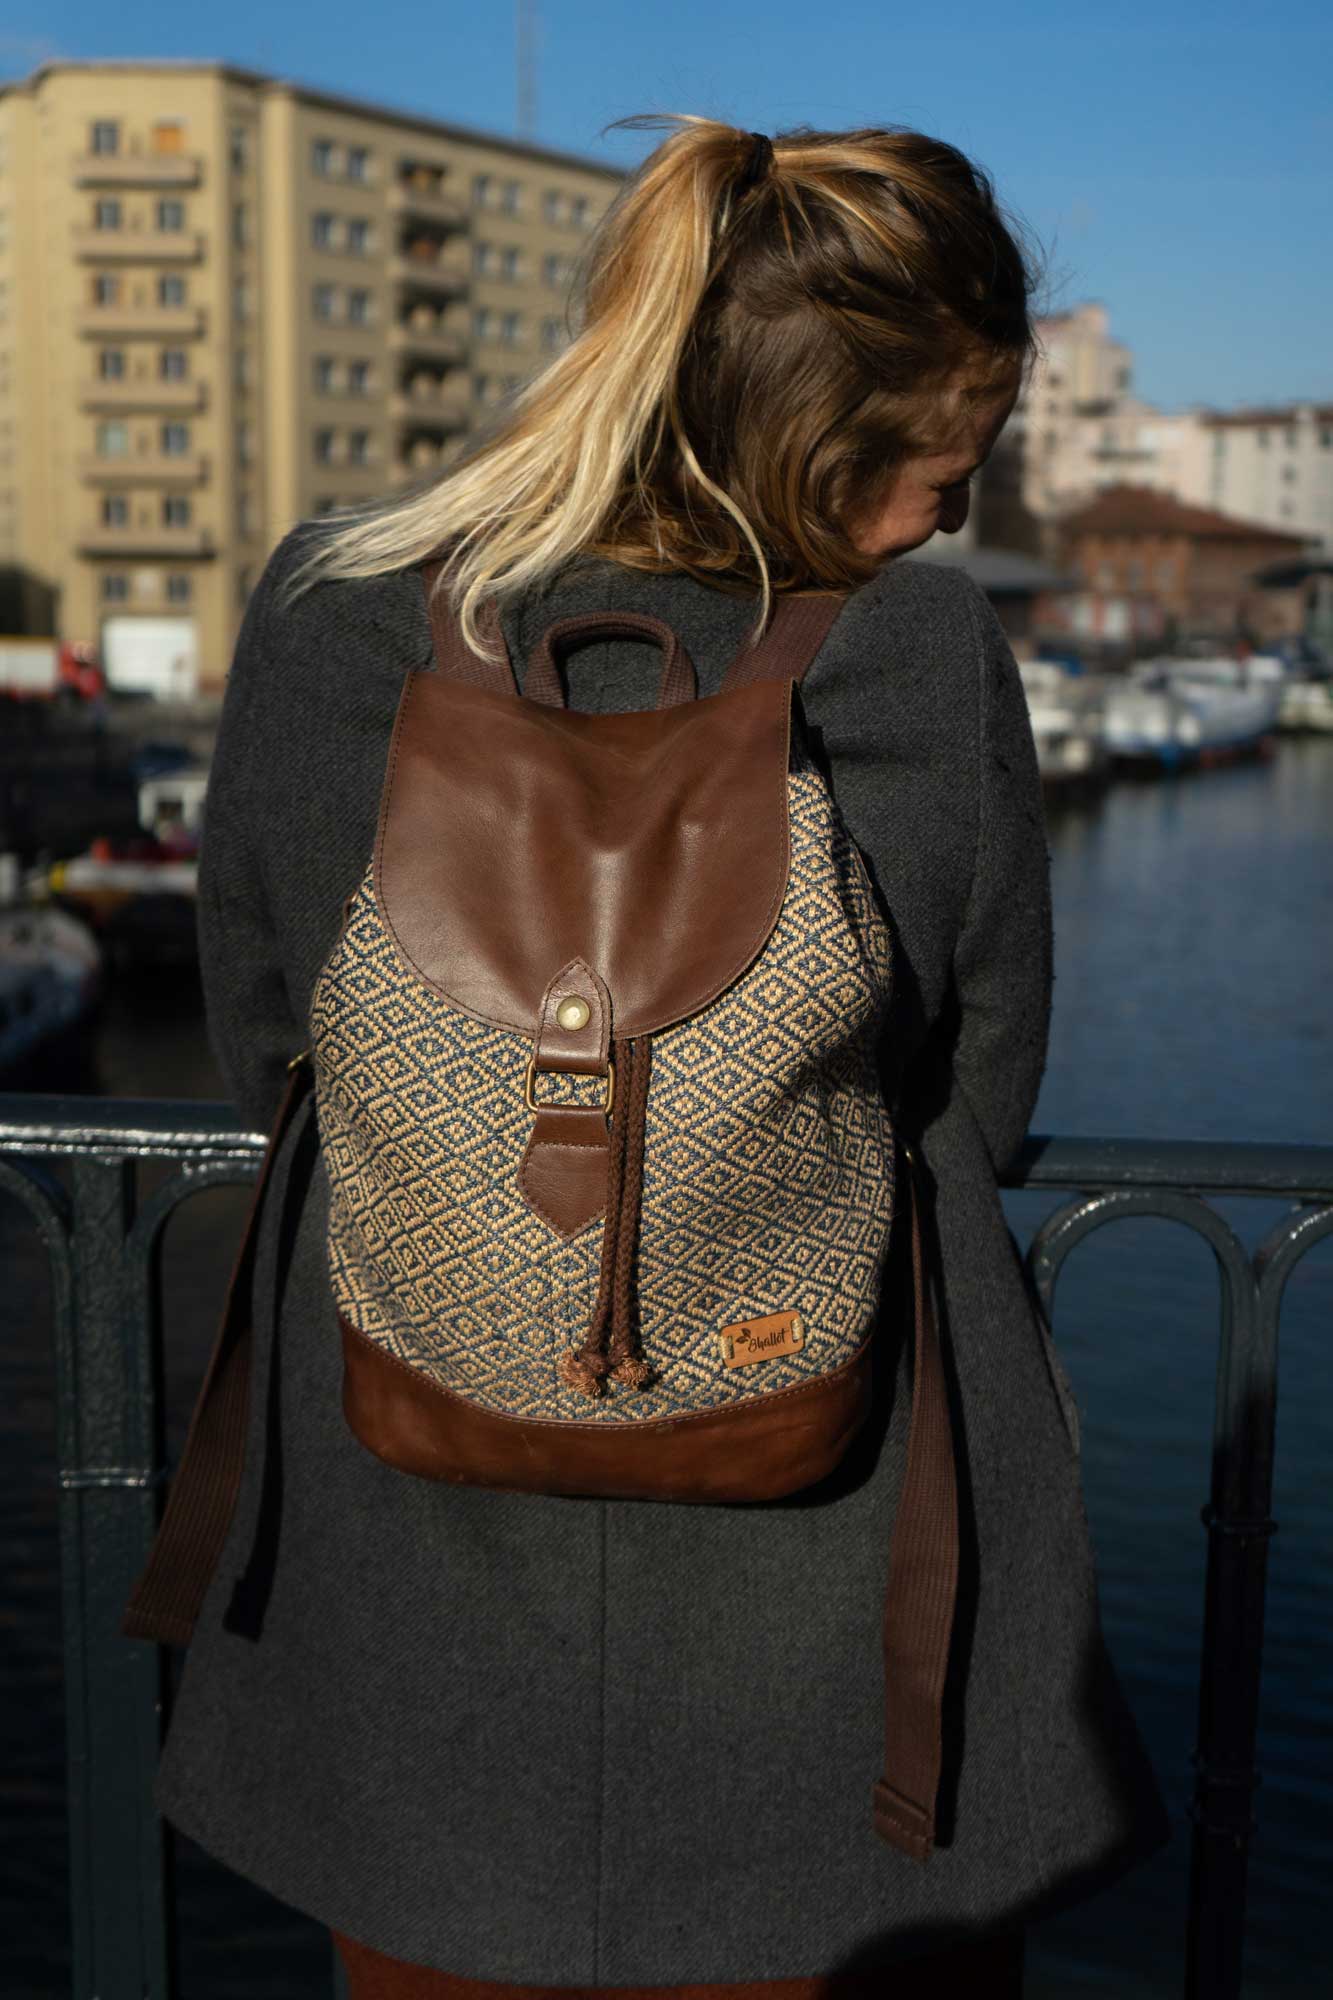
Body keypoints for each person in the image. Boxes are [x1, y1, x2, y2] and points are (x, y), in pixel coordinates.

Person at [151, 116, 1170, 1996]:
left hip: (409, 1527)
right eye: (942, 469)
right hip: (828, 1554)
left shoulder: (335, 602)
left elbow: (262, 1034)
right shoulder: (911, 654)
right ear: (821, 435)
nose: (951, 515)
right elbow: (984, 1081)